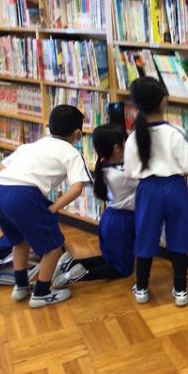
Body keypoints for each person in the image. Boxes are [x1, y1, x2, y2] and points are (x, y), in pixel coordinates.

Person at [0, 105, 92, 308]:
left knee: (19, 241)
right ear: (78, 134)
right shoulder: (72, 153)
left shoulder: (30, 146)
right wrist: (53, 208)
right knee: (54, 246)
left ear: (49, 128)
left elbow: (1, 167)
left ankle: (21, 286)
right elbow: (77, 188)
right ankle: (41, 293)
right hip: (24, 195)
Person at [124, 76, 188, 307]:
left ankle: (141, 288)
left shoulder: (133, 137)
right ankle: (180, 290)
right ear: (163, 101)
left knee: (146, 236)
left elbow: (130, 172)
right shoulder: (176, 132)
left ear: (136, 106)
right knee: (179, 237)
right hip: (175, 187)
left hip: (148, 190)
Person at [52, 123, 137, 287]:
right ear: (117, 149)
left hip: (110, 218)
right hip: (121, 222)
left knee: (110, 259)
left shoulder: (105, 166)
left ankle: (70, 265)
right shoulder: (124, 174)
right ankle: (75, 276)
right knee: (122, 269)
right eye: (125, 143)